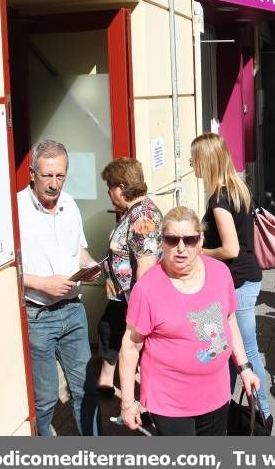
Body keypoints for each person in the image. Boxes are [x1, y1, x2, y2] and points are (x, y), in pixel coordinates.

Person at [117, 207, 261, 435]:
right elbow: (130, 346)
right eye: (172, 240)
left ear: (201, 239)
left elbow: (229, 319)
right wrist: (127, 402)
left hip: (217, 394)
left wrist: (244, 368)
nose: (181, 248)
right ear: (161, 242)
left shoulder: (220, 273)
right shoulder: (147, 288)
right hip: (170, 403)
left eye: (190, 239)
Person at [17, 140, 102, 436]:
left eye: (60, 176)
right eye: (47, 176)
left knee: (86, 391)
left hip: (73, 311)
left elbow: (78, 250)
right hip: (38, 316)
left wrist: (91, 265)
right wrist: (41, 283)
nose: (54, 184)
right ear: (31, 173)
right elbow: (6, 269)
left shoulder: (70, 204)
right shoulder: (16, 211)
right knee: (45, 401)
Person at [190, 133, 272, 423]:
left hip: (238, 282)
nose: (191, 163)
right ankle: (224, 405)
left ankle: (262, 413)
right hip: (247, 278)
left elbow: (230, 248)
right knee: (232, 348)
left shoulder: (219, 199)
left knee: (244, 350)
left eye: (194, 158)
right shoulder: (236, 187)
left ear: (206, 160)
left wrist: (199, 252)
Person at [95, 158, 162, 396]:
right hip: (124, 295)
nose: (109, 193)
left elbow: (146, 264)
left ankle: (145, 401)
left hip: (134, 297)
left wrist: (140, 308)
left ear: (121, 187)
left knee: (136, 347)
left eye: (110, 187)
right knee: (108, 328)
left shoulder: (141, 216)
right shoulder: (133, 211)